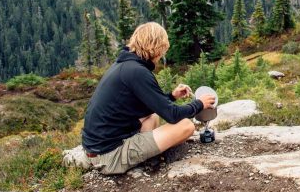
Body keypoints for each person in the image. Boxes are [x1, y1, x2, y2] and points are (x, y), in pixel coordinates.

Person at [80, 22, 216, 175]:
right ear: (156, 48)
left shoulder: (124, 65)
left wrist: (172, 96)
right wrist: (199, 104)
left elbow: (151, 105)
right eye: (162, 49)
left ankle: (148, 153)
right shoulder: (138, 72)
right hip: (110, 156)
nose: (162, 55)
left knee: (152, 115)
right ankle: (150, 157)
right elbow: (172, 115)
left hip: (97, 149)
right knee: (186, 126)